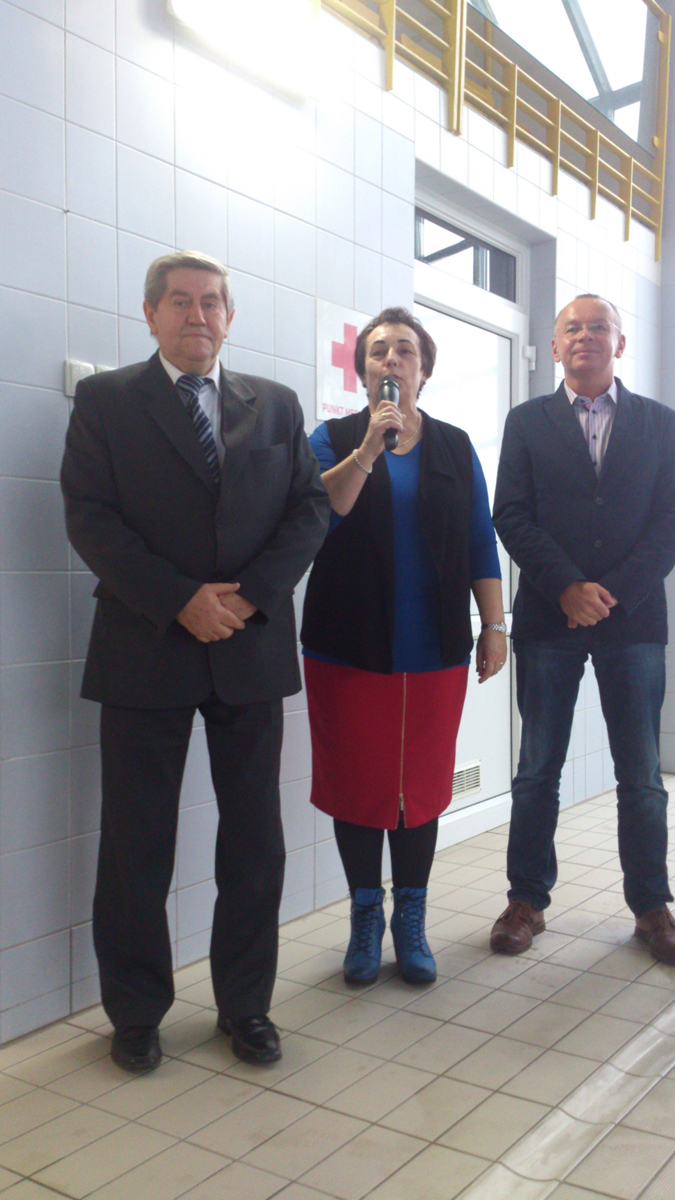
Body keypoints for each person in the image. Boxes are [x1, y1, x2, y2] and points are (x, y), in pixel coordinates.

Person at [61, 251, 330, 1073]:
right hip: (144, 645)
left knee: (254, 842)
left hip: (249, 648)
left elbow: (308, 509)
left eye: (211, 302)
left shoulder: (274, 404)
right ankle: (136, 1013)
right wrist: (180, 598)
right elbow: (89, 517)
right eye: (179, 301)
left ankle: (245, 1007)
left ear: (229, 317)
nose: (197, 315)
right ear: (150, 314)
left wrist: (248, 598)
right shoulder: (107, 401)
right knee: (136, 843)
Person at [301, 307, 507, 985]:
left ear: (424, 369)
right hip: (346, 644)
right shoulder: (332, 438)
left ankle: (410, 919)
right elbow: (316, 516)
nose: (391, 359)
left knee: (418, 788)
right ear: (362, 371)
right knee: (356, 785)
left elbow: (479, 540)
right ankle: (365, 917)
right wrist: (367, 450)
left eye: (405, 350)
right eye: (378, 351)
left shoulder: (454, 446)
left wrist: (494, 625)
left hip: (434, 646)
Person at [491, 293, 675, 962]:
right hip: (549, 615)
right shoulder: (526, 422)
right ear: (555, 343)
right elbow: (510, 514)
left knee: (640, 772)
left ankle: (651, 905)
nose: (585, 336)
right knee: (537, 766)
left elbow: (669, 522)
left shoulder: (660, 423)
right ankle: (525, 900)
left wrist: (611, 593)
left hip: (633, 621)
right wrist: (565, 586)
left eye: (599, 327)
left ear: (619, 343)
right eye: (572, 327)